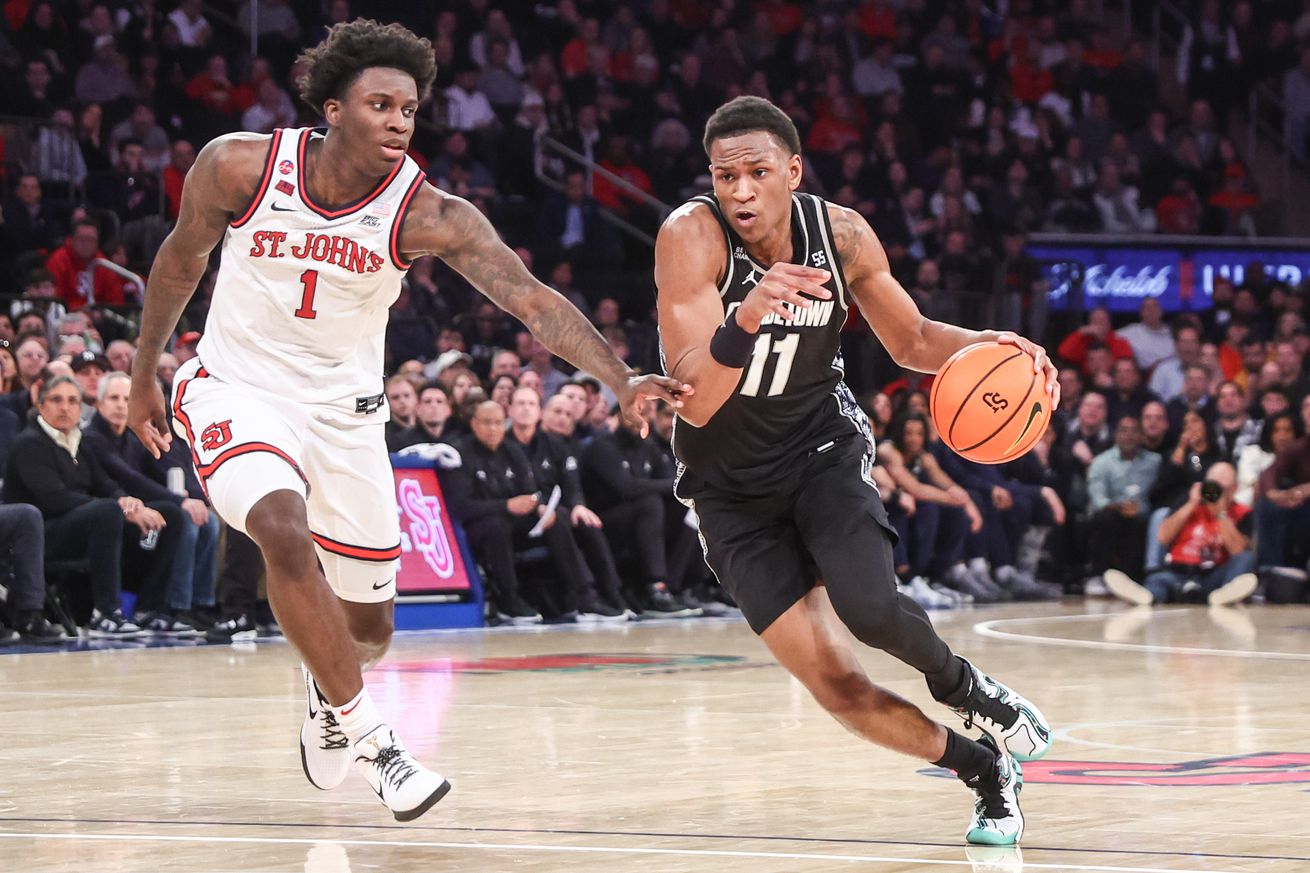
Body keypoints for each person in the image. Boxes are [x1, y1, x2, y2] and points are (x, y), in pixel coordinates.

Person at [127, 20, 686, 822]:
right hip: (237, 389)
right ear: (331, 108)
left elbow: (529, 301)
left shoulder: (430, 213)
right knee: (281, 530)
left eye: (410, 108)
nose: (398, 120)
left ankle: (331, 692)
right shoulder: (239, 166)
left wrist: (621, 374)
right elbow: (180, 261)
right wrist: (146, 372)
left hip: (347, 415)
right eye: (380, 103)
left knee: (372, 629)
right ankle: (377, 742)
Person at [654, 96, 1055, 845]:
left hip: (818, 453)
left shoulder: (839, 234)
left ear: (793, 172)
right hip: (729, 491)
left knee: (870, 607)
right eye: (724, 175)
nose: (739, 191)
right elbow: (699, 404)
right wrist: (749, 313)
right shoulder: (689, 236)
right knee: (838, 689)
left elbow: (913, 339)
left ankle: (970, 690)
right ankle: (984, 770)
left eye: (757, 173)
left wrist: (997, 344)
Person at [4, 376, 159, 638]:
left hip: (76, 526)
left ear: (81, 408)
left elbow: (105, 484)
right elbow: (55, 499)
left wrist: (130, 503)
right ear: (41, 406)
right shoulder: (29, 443)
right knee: (107, 513)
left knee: (165, 516)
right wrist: (116, 505)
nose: (65, 407)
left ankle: (157, 610)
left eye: (73, 401)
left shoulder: (80, 441)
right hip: (38, 535)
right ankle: (106, 613)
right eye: (56, 400)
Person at [1104, 461, 1258, 607]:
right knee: (1158, 580)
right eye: (1213, 486)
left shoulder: (1242, 512)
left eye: (1223, 489)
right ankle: (1147, 596)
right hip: (1179, 573)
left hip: (1213, 577)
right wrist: (1191, 504)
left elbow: (1238, 551)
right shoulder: (1187, 501)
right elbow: (1163, 537)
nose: (1216, 493)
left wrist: (1221, 514)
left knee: (1246, 558)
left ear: (1235, 488)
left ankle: (1224, 596)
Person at [1085, 416, 1161, 584]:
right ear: (1115, 435)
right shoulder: (1101, 462)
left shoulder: (1155, 462)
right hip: (1111, 513)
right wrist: (1119, 507)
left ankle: (1132, 579)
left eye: (1134, 430)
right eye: (1124, 430)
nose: (1129, 435)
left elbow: (1162, 492)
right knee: (1104, 518)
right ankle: (1099, 575)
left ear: (1141, 435)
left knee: (1143, 521)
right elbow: (1098, 500)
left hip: (1141, 515)